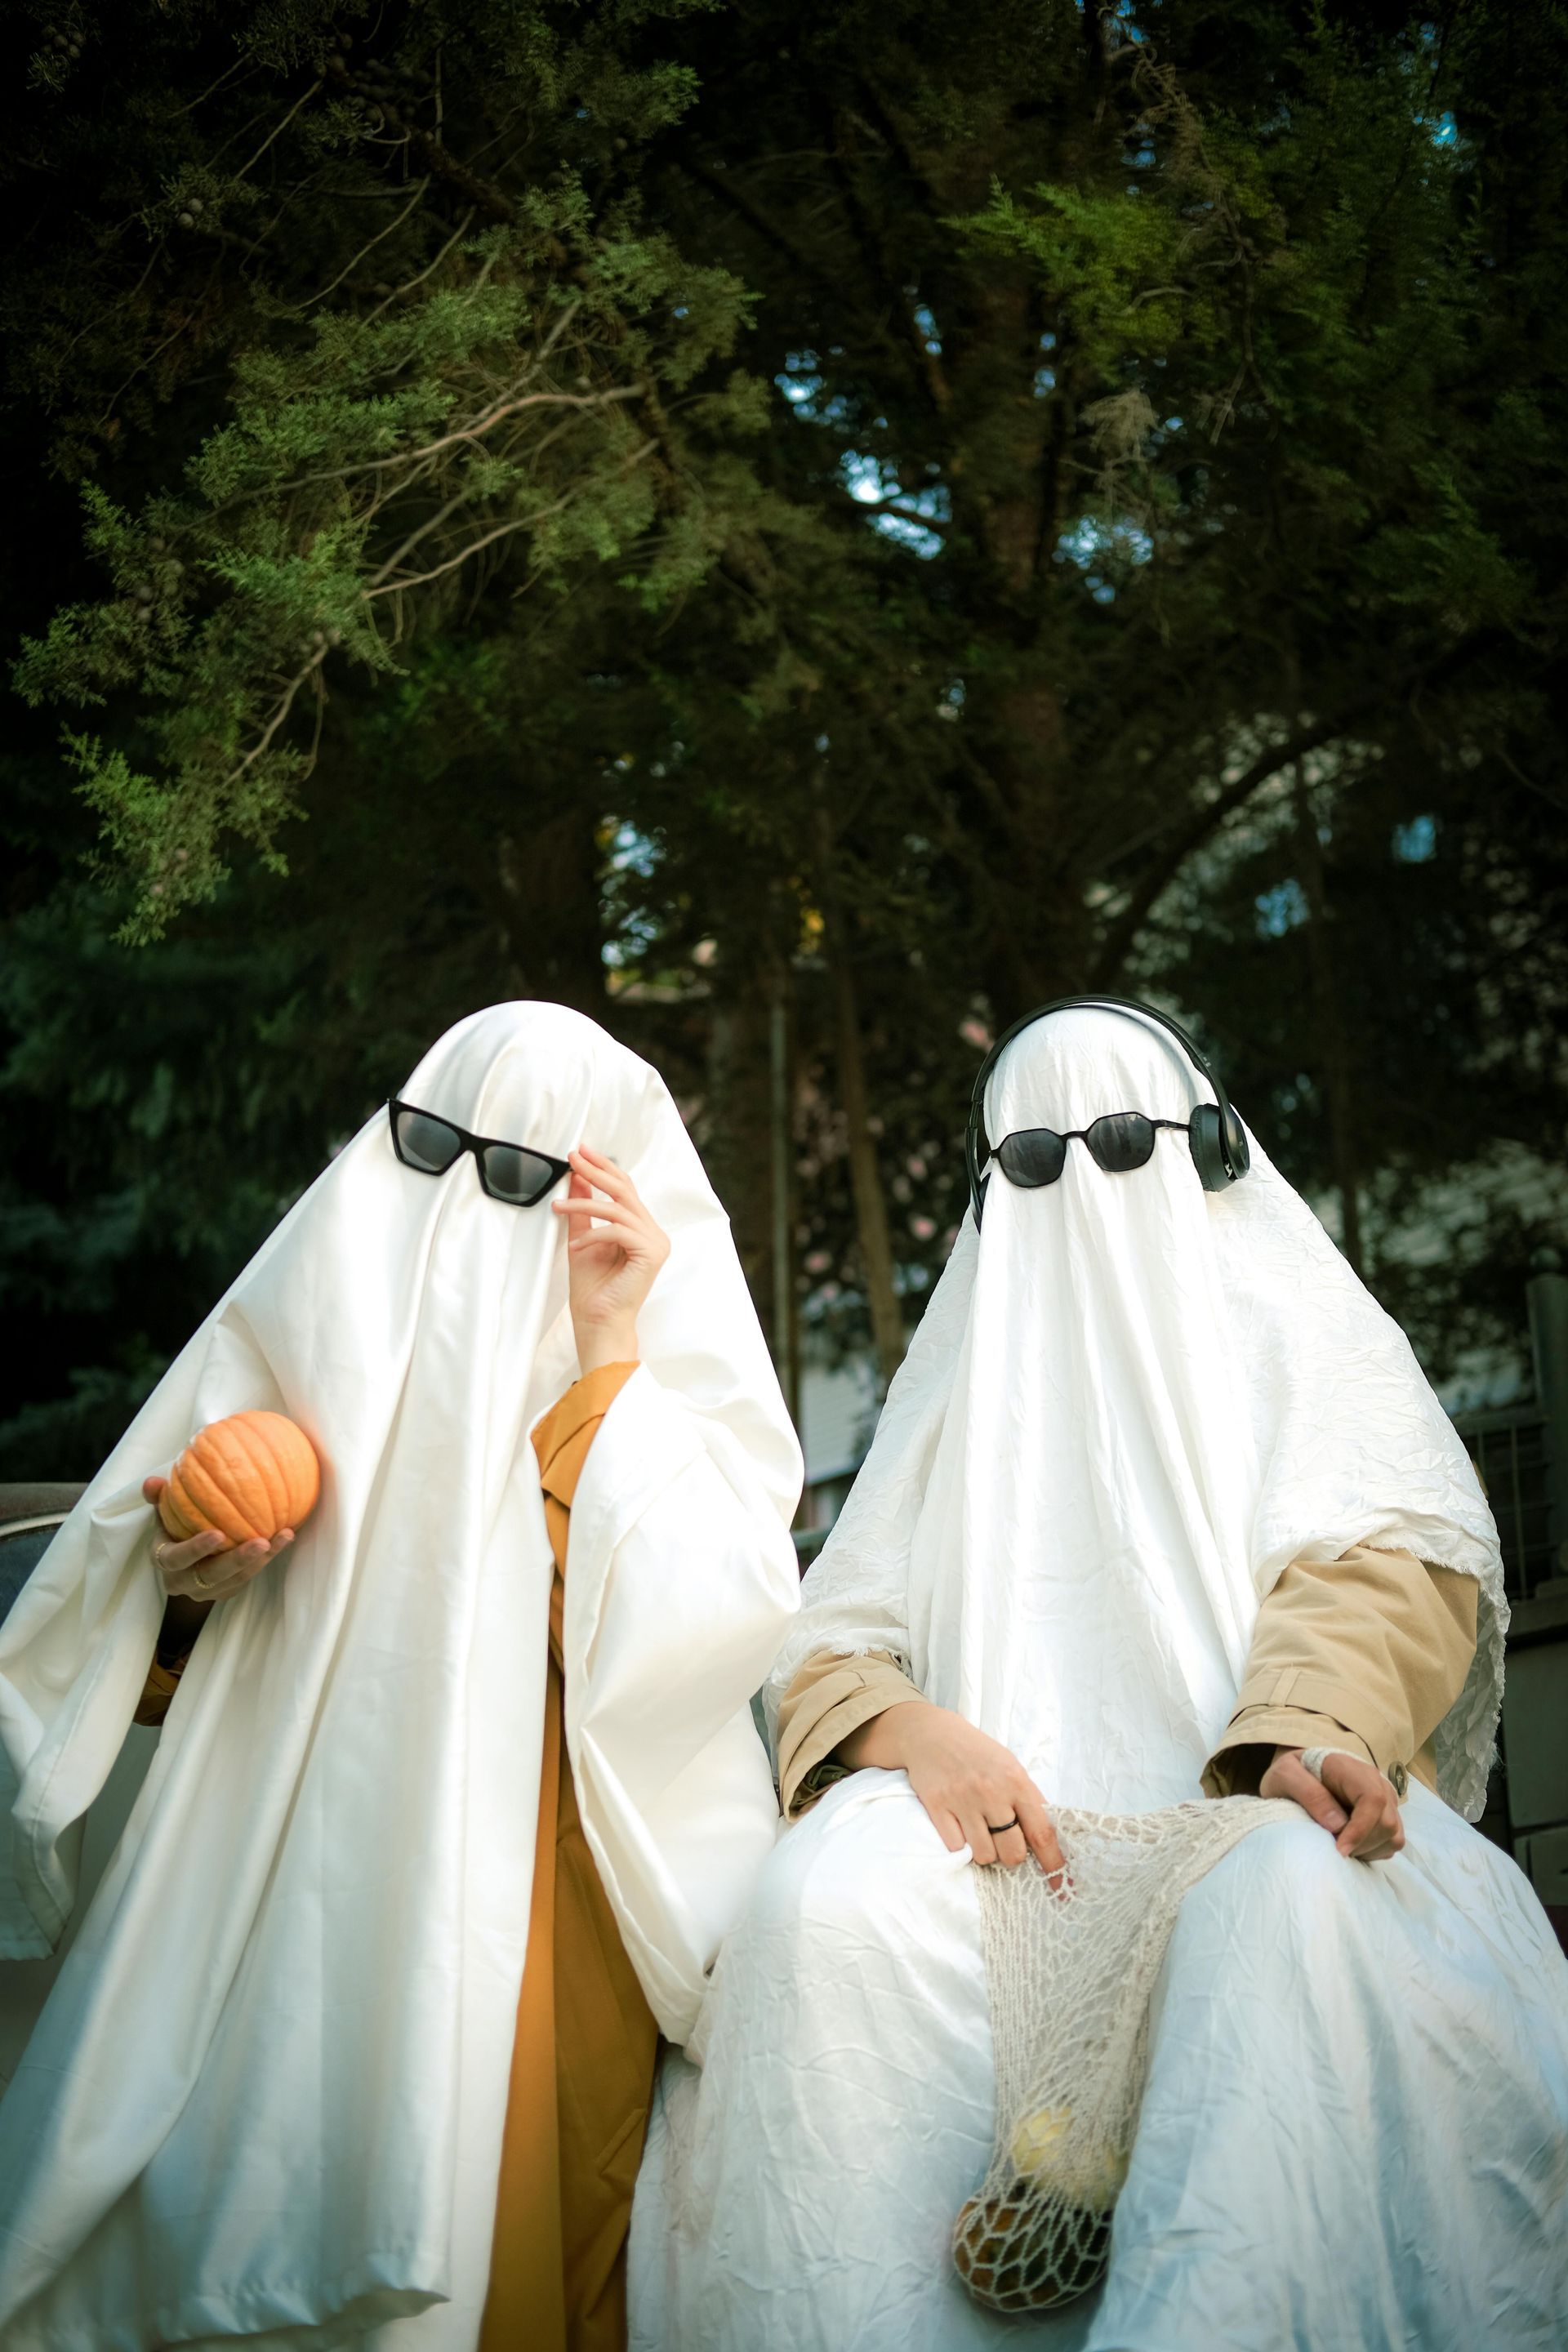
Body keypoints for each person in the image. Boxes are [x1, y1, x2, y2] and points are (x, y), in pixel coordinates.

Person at [630, 999, 1568, 2352]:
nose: (1082, 1182)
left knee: (1289, 1912)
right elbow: (835, 1635)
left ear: (1203, 1145)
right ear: (987, 1184)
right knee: (818, 1910)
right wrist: (910, 1732)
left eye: (1125, 1142)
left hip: (1250, 1802)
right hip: (1009, 1846)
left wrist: (1299, 1741)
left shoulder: (1301, 1334)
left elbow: (1385, 1558)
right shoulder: (966, 1375)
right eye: (1029, 1159)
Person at [0, 1000, 802, 2352]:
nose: (470, 1201)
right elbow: (147, 1610)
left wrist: (610, 1352)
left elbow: (710, 1620)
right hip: (301, 1854)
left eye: (527, 1180)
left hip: (561, 1855)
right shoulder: (314, 1333)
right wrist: (199, 1574)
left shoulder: (670, 1362)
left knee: (523, 2232)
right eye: (439, 1147)